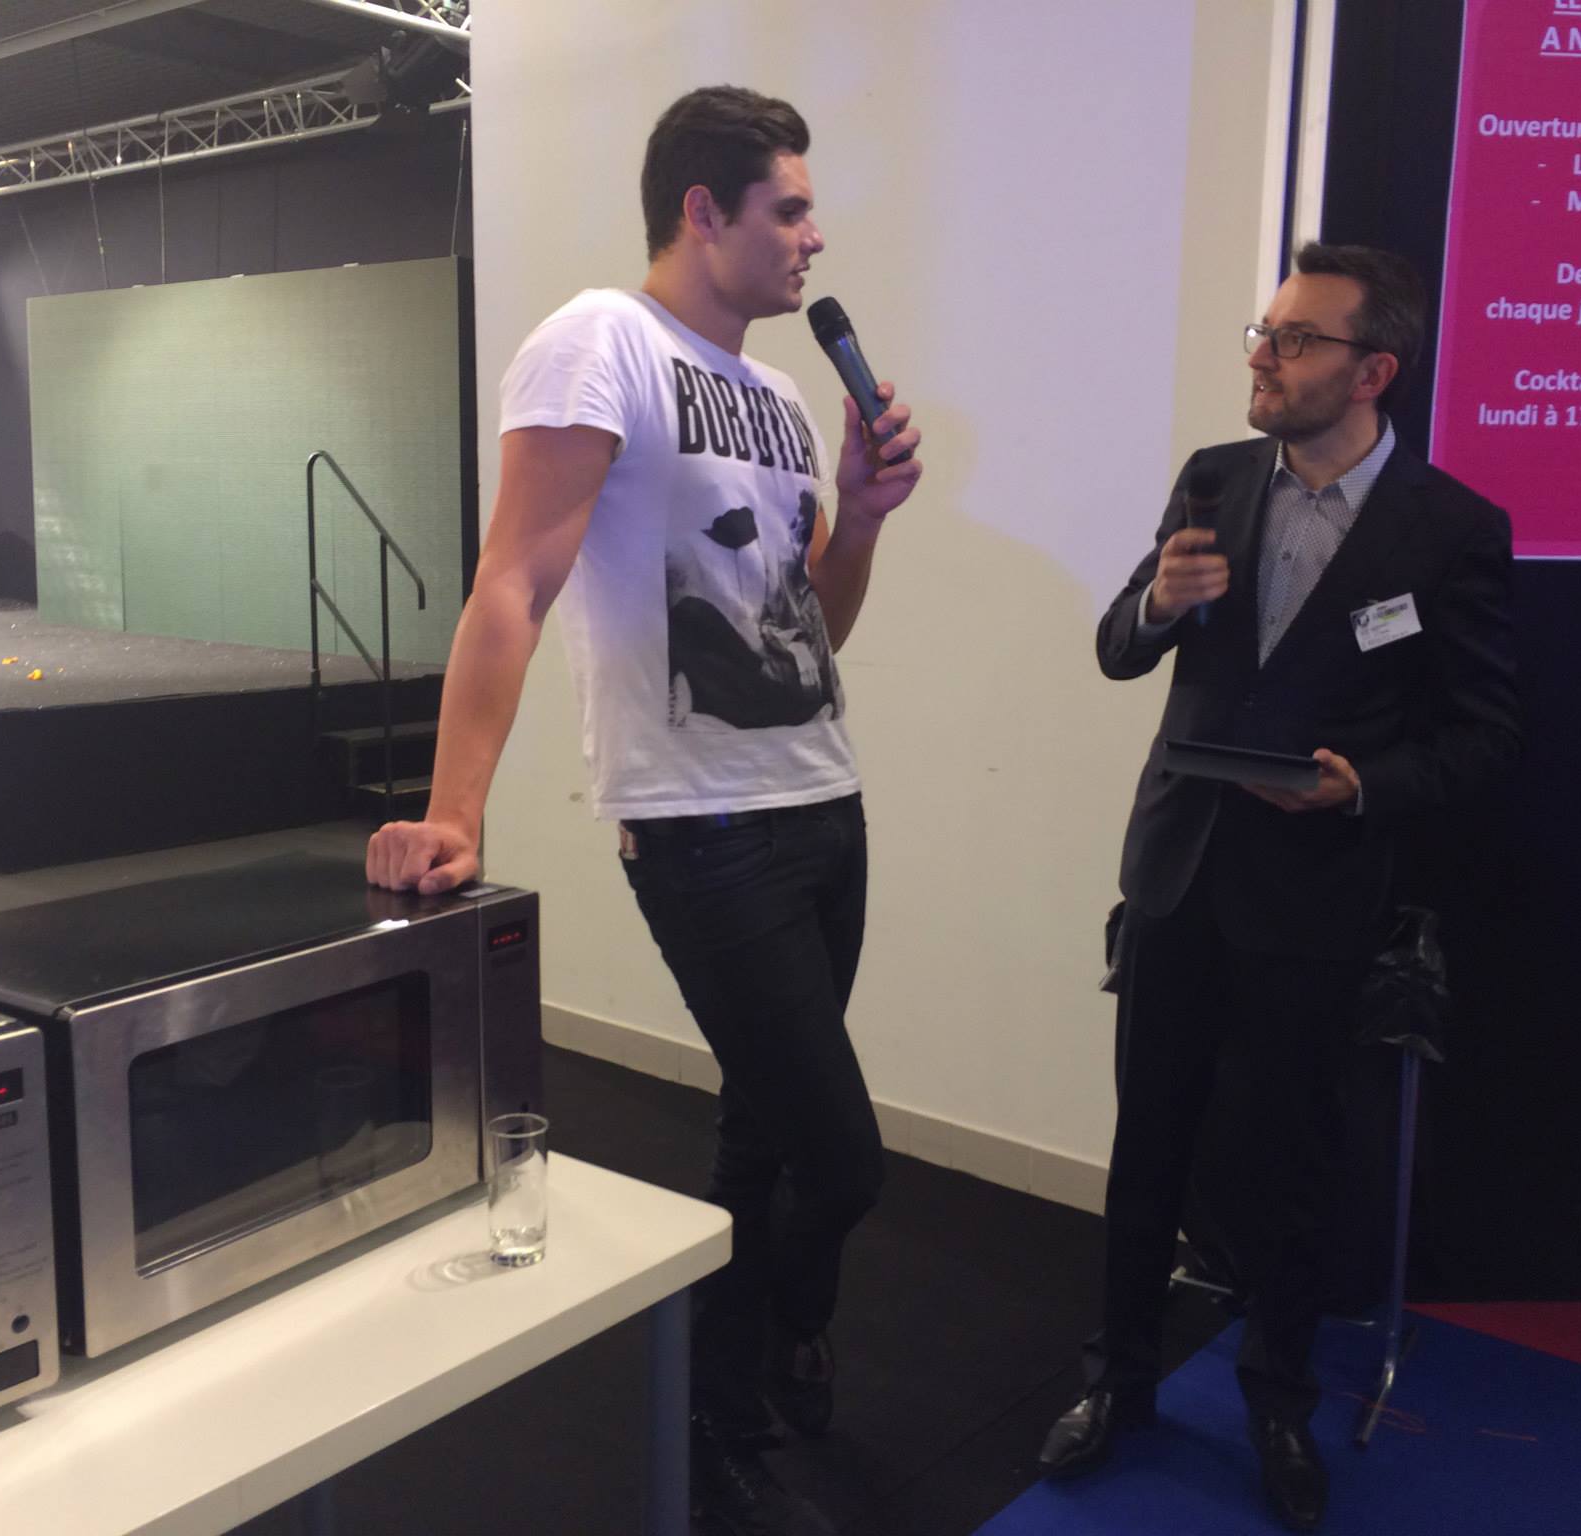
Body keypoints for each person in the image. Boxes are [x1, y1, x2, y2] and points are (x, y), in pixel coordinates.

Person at [365, 85, 924, 1536]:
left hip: (825, 804)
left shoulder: (782, 401)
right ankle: (782, 1331)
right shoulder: (600, 342)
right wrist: (455, 811)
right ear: (702, 210)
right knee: (844, 1159)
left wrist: (860, 515)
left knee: (764, 1137)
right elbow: (512, 582)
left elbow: (813, 629)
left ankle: (719, 1414)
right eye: (790, 208)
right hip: (703, 830)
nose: (813, 237)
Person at [1037, 243, 1520, 1532]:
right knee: (1149, 1145)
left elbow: (1484, 735)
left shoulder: (1451, 528)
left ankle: (1277, 1401)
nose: (1264, 354)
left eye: (1297, 339)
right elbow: (1119, 648)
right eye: (1265, 330)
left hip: (1316, 894)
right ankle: (1119, 1381)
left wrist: (1361, 786)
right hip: (1181, 874)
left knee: (1293, 1164)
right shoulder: (1214, 476)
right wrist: (1155, 602)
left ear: (1373, 372)